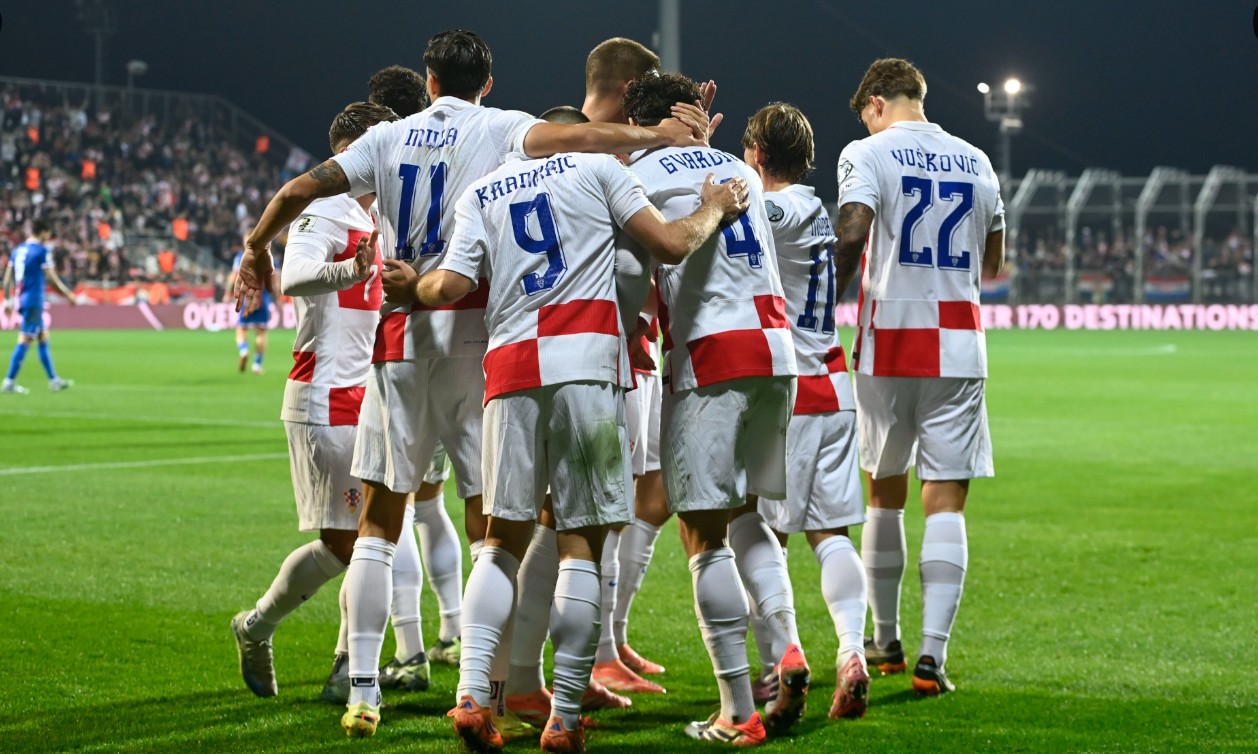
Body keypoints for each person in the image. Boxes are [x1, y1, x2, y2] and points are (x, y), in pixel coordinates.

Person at [233, 29, 710, 739]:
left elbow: (301, 187)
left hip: (408, 340)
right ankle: (512, 695)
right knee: (513, 529)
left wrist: (253, 249)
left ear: (428, 82)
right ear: (487, 83)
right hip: (494, 346)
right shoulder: (510, 134)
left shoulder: (398, 145)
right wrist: (662, 134)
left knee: (380, 525)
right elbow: (593, 156)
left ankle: (369, 690)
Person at [393, 120, 749, 753]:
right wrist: (712, 208)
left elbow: (448, 286)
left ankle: (474, 696)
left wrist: (407, 287)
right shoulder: (601, 171)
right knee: (581, 546)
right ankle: (562, 714)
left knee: (500, 543)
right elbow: (669, 246)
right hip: (586, 366)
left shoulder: (484, 190)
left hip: (508, 370)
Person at [620, 72, 800, 745]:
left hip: (713, 355)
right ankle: (786, 651)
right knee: (748, 514)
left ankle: (736, 711)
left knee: (702, 534)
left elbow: (633, 286)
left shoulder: (633, 175)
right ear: (695, 115)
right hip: (777, 350)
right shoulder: (733, 166)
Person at [834, 58, 1005, 696]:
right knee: (947, 499)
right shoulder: (978, 160)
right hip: (959, 346)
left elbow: (852, 236)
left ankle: (886, 640)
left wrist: (824, 308)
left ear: (875, 102)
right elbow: (994, 258)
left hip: (888, 345)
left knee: (884, 491)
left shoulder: (869, 152)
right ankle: (933, 657)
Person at [230, 101, 394, 702]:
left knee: (373, 538)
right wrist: (352, 268)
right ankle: (258, 626)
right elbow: (296, 275)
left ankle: (347, 665)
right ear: (350, 151)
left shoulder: (372, 211)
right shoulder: (325, 206)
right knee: (349, 543)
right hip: (324, 395)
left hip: (368, 392)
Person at [743, 102, 870, 719]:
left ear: (759, 156)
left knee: (761, 532)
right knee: (830, 535)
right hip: (833, 384)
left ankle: (779, 667)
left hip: (787, 391)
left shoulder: (779, 208)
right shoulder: (815, 210)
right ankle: (852, 650)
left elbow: (721, 214)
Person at [2, 219, 75, 394]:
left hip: (23, 297)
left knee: (43, 337)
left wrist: (7, 300)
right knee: (25, 339)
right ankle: (9, 381)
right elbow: (51, 277)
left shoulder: (18, 250)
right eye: (48, 235)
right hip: (34, 299)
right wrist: (68, 294)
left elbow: (7, 279)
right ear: (42, 232)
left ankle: (54, 380)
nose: (48, 238)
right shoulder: (41, 251)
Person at [225, 245, 278, 374]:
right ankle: (257, 365)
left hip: (247, 297)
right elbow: (275, 279)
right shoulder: (271, 257)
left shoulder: (242, 256)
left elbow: (233, 275)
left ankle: (244, 350)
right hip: (263, 298)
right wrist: (278, 297)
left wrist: (227, 293)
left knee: (241, 329)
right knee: (261, 333)